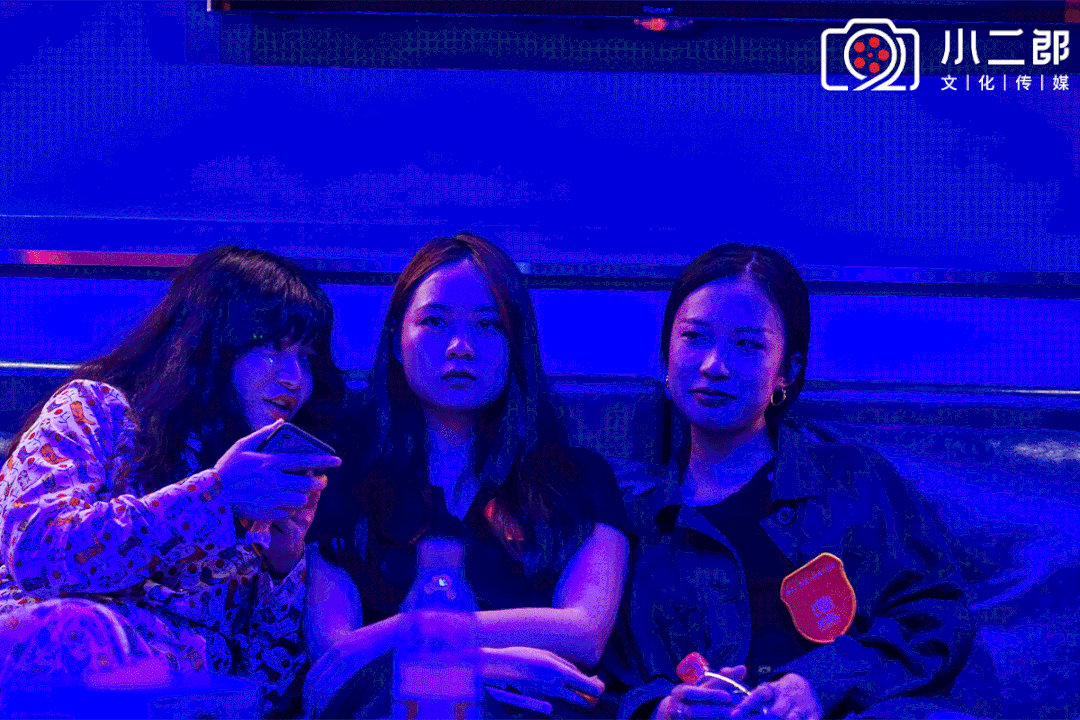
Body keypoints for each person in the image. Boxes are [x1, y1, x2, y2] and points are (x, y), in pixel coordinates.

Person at [619, 244, 977, 720]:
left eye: (748, 345)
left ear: (786, 371)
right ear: (666, 354)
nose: (713, 365)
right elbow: (609, 679)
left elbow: (937, 617)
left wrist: (820, 684)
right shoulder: (633, 522)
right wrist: (664, 709)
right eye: (694, 337)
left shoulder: (854, 479)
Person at [0, 246, 344, 717]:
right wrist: (216, 496)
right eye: (271, 347)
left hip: (184, 702)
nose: (294, 378)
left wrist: (282, 569)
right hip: (57, 676)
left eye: (306, 357)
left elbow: (264, 693)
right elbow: (39, 551)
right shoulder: (97, 410)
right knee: (82, 630)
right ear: (210, 343)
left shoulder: (259, 481)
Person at [303, 232, 632, 718]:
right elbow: (335, 656)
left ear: (515, 344)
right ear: (397, 342)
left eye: (487, 324)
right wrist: (491, 664)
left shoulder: (581, 478)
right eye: (434, 322)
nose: (460, 347)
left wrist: (400, 633)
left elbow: (584, 633)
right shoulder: (342, 474)